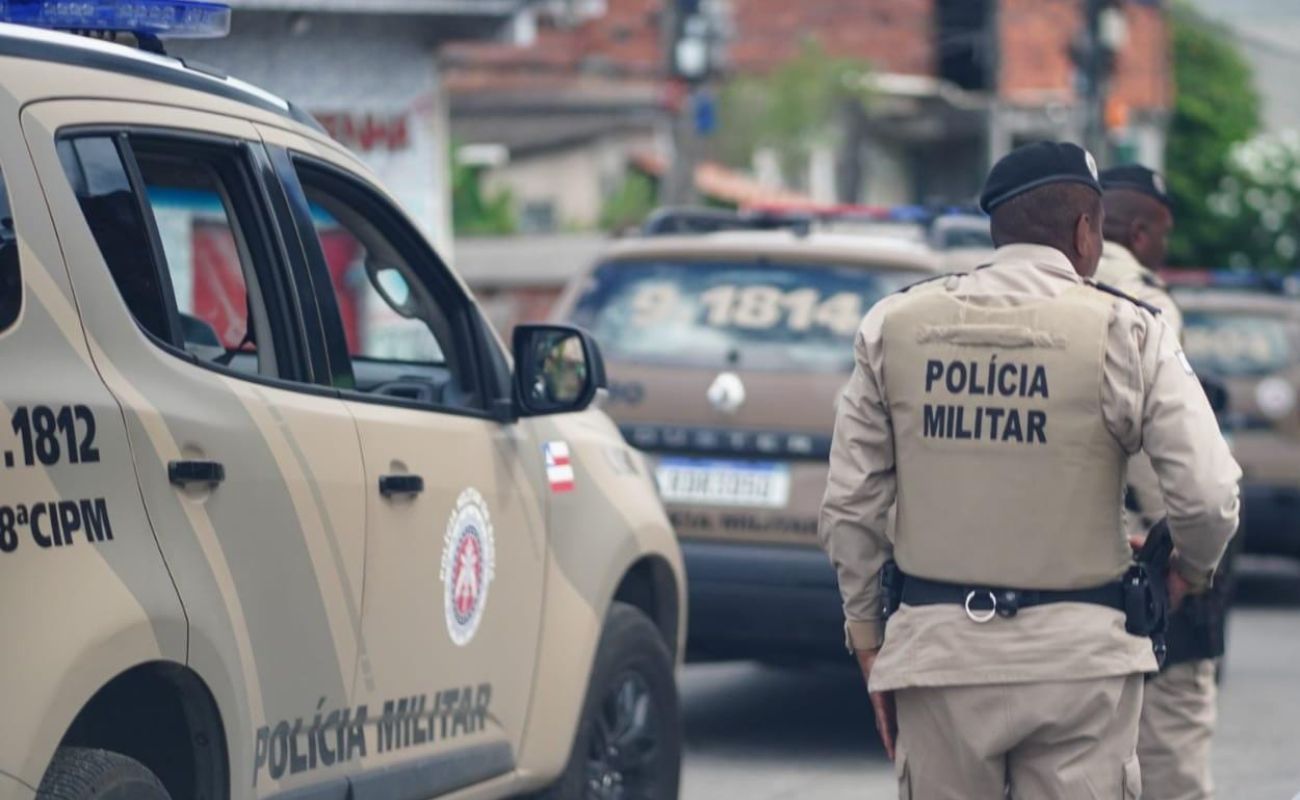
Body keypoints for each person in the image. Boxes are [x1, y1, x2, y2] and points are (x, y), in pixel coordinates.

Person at [819, 141, 1241, 799]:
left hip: (940, 655)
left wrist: (870, 640)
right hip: (1081, 666)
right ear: (1084, 230)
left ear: (999, 228)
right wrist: (1189, 571)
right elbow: (1210, 495)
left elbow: (850, 507)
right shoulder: (1130, 330)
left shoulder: (894, 326)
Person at [1100, 163, 1236, 800]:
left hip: (1041, 572)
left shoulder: (1032, 291)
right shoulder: (1146, 303)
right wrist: (1187, 561)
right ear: (1138, 230)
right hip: (1140, 558)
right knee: (1170, 747)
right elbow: (1175, 466)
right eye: (1163, 233)